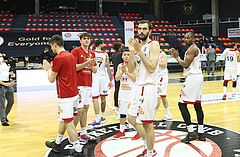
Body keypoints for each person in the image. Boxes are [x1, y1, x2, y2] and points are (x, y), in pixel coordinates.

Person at [42, 35, 84, 156]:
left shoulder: (59, 58)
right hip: (74, 93)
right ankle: (57, 142)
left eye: (51, 46)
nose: (51, 49)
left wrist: (48, 67)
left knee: (69, 122)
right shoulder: (70, 55)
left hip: (65, 95)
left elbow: (51, 78)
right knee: (63, 119)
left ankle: (78, 150)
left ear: (55, 44)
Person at [128, 20, 160, 157]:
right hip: (137, 86)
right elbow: (130, 69)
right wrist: (131, 52)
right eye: (139, 29)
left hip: (148, 87)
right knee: (131, 118)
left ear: (149, 31)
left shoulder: (153, 45)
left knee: (147, 124)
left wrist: (139, 51)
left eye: (144, 29)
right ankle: (147, 145)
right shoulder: (138, 47)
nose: (141, 31)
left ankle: (151, 152)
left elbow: (152, 68)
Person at [169, 32, 205, 144]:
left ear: (193, 38)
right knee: (197, 105)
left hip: (193, 78)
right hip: (197, 77)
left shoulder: (192, 49)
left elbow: (185, 65)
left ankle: (191, 132)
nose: (186, 39)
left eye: (188, 37)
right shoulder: (191, 49)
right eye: (184, 37)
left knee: (181, 104)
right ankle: (201, 132)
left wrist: (176, 57)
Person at [71, 32, 97, 143]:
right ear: (80, 41)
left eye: (88, 39)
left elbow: (95, 70)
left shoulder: (92, 53)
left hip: (88, 84)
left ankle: (83, 133)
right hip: (78, 84)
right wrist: (86, 62)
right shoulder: (75, 51)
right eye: (84, 39)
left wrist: (91, 64)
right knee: (78, 110)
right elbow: (74, 67)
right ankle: (72, 135)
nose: (86, 40)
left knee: (85, 109)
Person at [113, 51, 137, 139]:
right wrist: (122, 72)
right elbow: (116, 78)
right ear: (122, 56)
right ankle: (121, 131)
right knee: (122, 113)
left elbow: (135, 78)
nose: (126, 56)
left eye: (128, 55)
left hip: (132, 93)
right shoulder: (120, 66)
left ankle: (138, 131)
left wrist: (126, 72)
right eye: (125, 55)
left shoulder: (134, 65)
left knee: (133, 114)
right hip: (123, 93)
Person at [88, 39, 112, 126]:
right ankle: (102, 116)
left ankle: (97, 119)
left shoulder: (91, 53)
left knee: (95, 98)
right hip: (103, 78)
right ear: (101, 44)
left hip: (95, 77)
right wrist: (110, 79)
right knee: (103, 98)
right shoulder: (105, 54)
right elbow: (108, 67)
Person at [154, 50, 173, 120]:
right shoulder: (152, 54)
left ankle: (152, 115)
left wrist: (155, 62)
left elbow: (164, 65)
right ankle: (168, 113)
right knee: (163, 96)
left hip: (162, 77)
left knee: (158, 96)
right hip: (156, 77)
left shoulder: (162, 54)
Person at [0, 53, 14, 126]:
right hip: (1, 85)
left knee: (11, 101)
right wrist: (4, 84)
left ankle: (4, 115)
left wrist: (11, 74)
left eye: (1, 56)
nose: (1, 58)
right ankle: (3, 120)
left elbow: (10, 74)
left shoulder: (6, 65)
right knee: (2, 104)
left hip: (8, 84)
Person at [111, 42, 123, 111]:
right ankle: (122, 104)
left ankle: (116, 105)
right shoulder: (121, 54)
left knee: (116, 89)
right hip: (122, 73)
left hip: (116, 73)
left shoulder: (113, 55)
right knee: (124, 89)